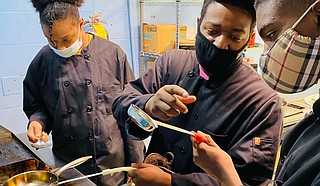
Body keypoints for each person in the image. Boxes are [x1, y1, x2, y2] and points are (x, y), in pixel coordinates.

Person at [112, 0, 283, 185]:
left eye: (234, 37)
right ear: (199, 23)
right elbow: (121, 103)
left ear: (249, 38)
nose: (220, 43)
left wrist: (171, 182)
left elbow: (249, 180)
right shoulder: (172, 63)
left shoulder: (263, 102)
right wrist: (147, 105)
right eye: (212, 32)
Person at [192, 0, 320, 185]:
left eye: (271, 34)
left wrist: (224, 175)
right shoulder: (306, 128)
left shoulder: (264, 101)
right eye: (212, 31)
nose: (267, 53)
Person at [23, 0, 145, 185]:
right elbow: (37, 105)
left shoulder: (112, 55)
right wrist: (37, 121)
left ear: (80, 25)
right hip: (69, 165)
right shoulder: (43, 60)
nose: (60, 48)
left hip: (112, 164)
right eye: (52, 40)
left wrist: (136, 163)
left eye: (66, 39)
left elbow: (132, 112)